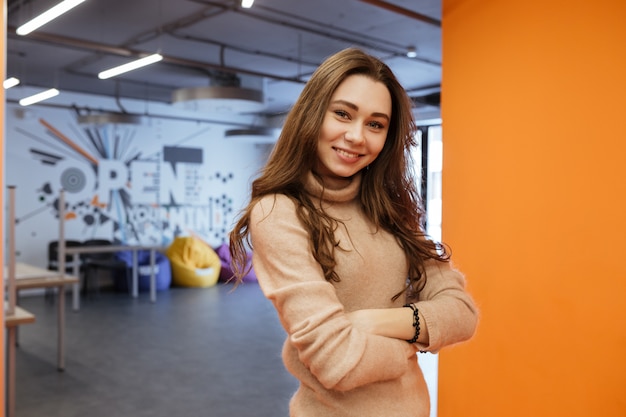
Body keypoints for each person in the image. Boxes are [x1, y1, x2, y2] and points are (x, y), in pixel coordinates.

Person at [229, 48, 478, 417]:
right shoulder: (279, 212)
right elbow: (338, 361)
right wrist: (417, 336)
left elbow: (462, 313)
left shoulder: (390, 209)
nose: (356, 136)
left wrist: (370, 322)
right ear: (314, 113)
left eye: (375, 124)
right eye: (343, 114)